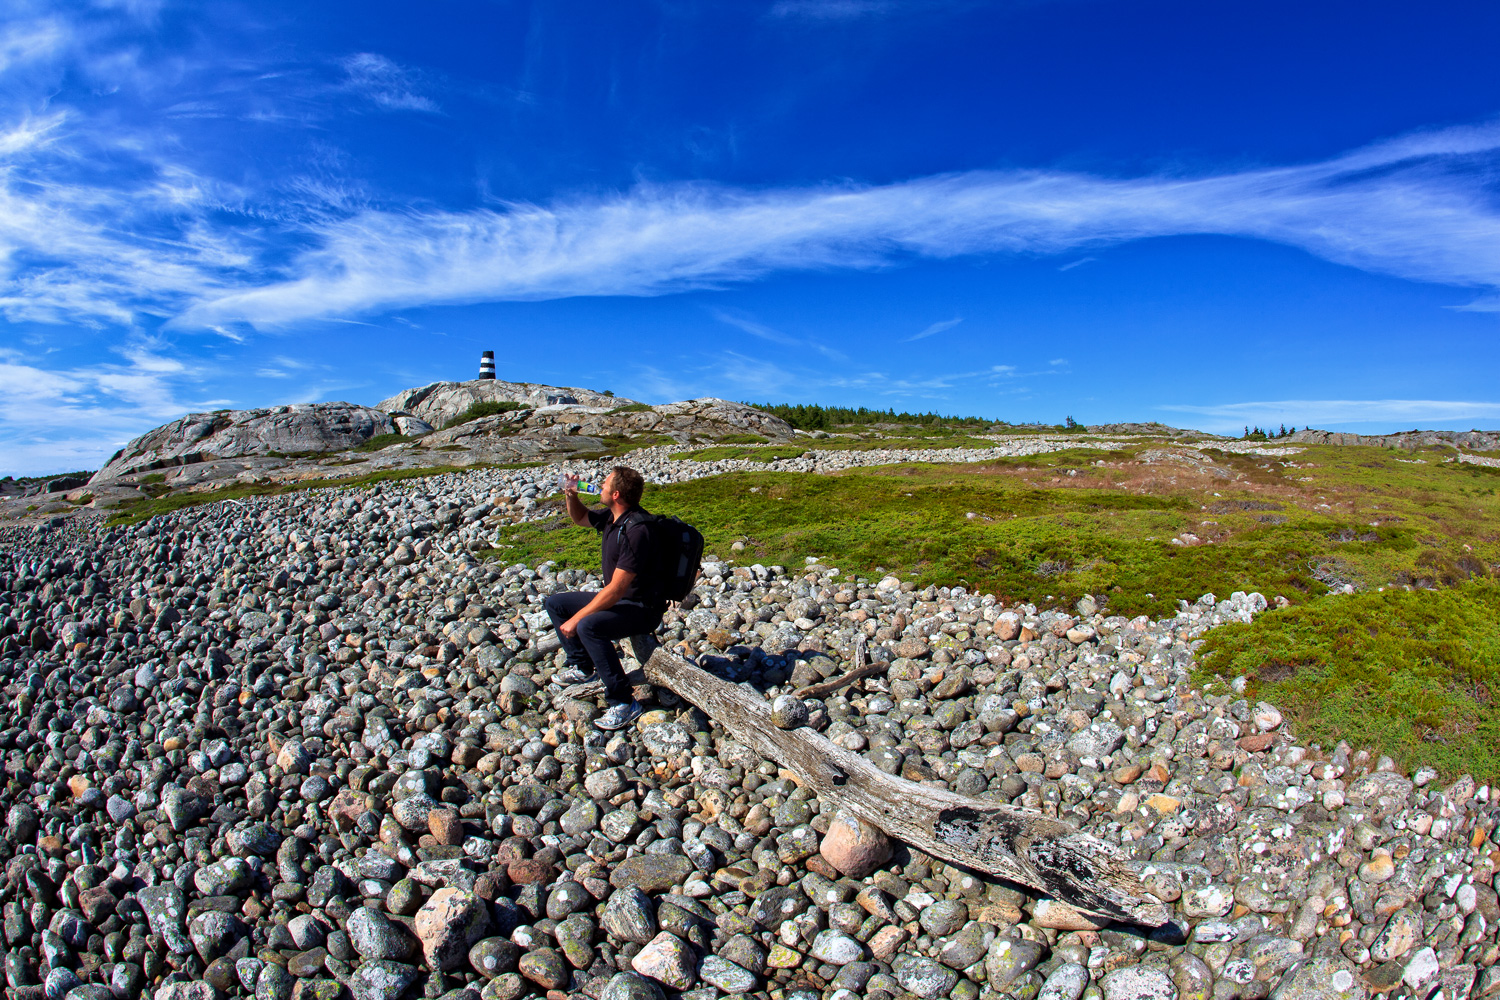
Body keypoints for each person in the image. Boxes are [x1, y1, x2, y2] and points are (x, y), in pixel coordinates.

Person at [542, 465, 663, 730]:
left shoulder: (637, 529)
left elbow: (617, 590)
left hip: (641, 608)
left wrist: (577, 619)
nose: (600, 486)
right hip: (621, 600)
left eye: (605, 484)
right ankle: (582, 667)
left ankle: (623, 702)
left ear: (616, 494)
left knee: (588, 626)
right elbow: (580, 518)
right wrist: (571, 495)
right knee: (556, 604)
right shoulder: (613, 517)